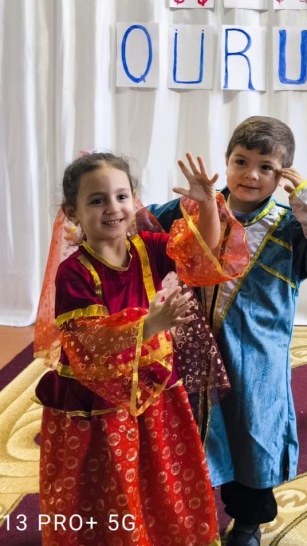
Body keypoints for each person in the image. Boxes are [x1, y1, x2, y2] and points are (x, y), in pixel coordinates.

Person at [150, 116, 307, 546]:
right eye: (241, 161)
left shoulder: (290, 225)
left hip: (257, 357)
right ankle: (190, 516)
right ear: (227, 161)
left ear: (282, 175)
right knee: (190, 431)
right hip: (190, 349)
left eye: (266, 167)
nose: (251, 175)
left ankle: (247, 523)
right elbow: (140, 226)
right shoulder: (194, 207)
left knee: (252, 436)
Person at [35, 151, 246, 546]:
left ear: (134, 200)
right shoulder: (74, 272)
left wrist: (206, 204)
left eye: (121, 196)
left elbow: (201, 253)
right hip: (101, 403)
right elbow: (88, 340)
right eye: (97, 200)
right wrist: (150, 325)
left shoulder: (149, 247)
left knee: (160, 470)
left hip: (157, 390)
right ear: (73, 212)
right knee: (112, 479)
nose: (112, 208)